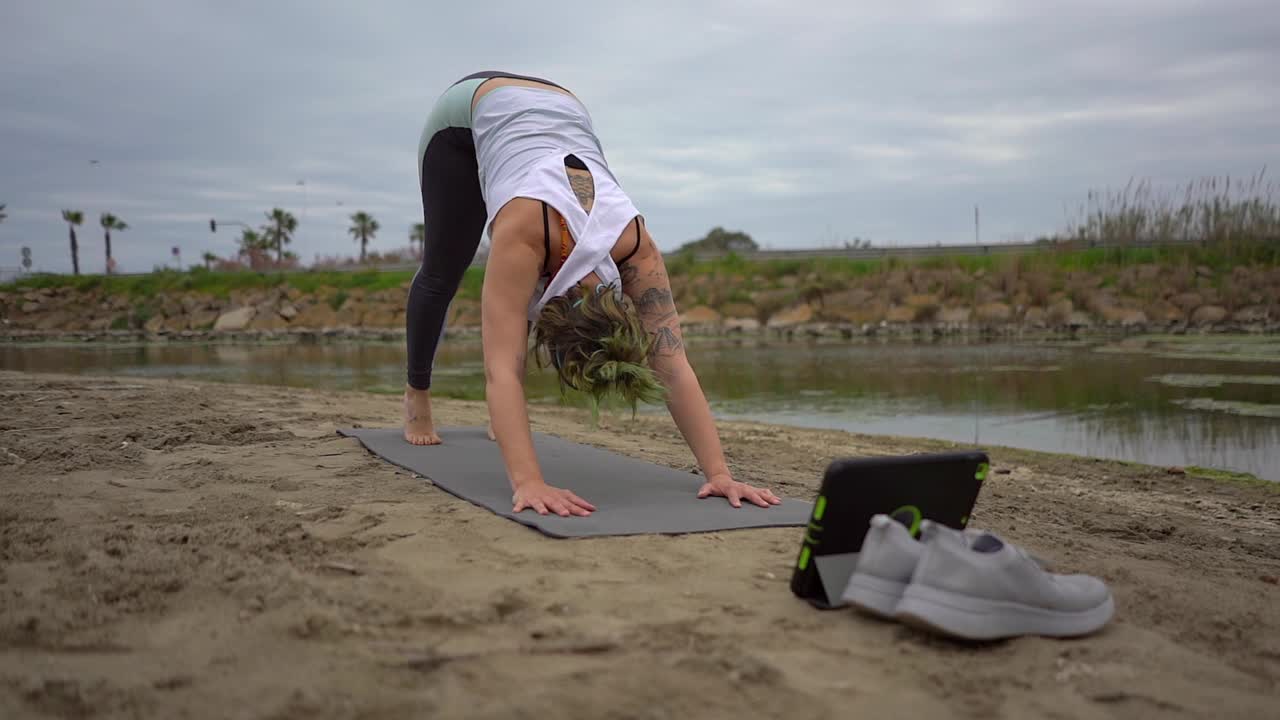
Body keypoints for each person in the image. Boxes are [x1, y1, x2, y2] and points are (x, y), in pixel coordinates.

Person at [405, 71, 781, 518]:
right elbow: (501, 369)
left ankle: (501, 422)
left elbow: (671, 362)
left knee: (513, 299)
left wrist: (719, 473)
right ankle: (417, 395)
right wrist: (528, 482)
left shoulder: (635, 243)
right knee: (443, 271)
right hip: (469, 110)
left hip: (563, 105)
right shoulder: (524, 233)